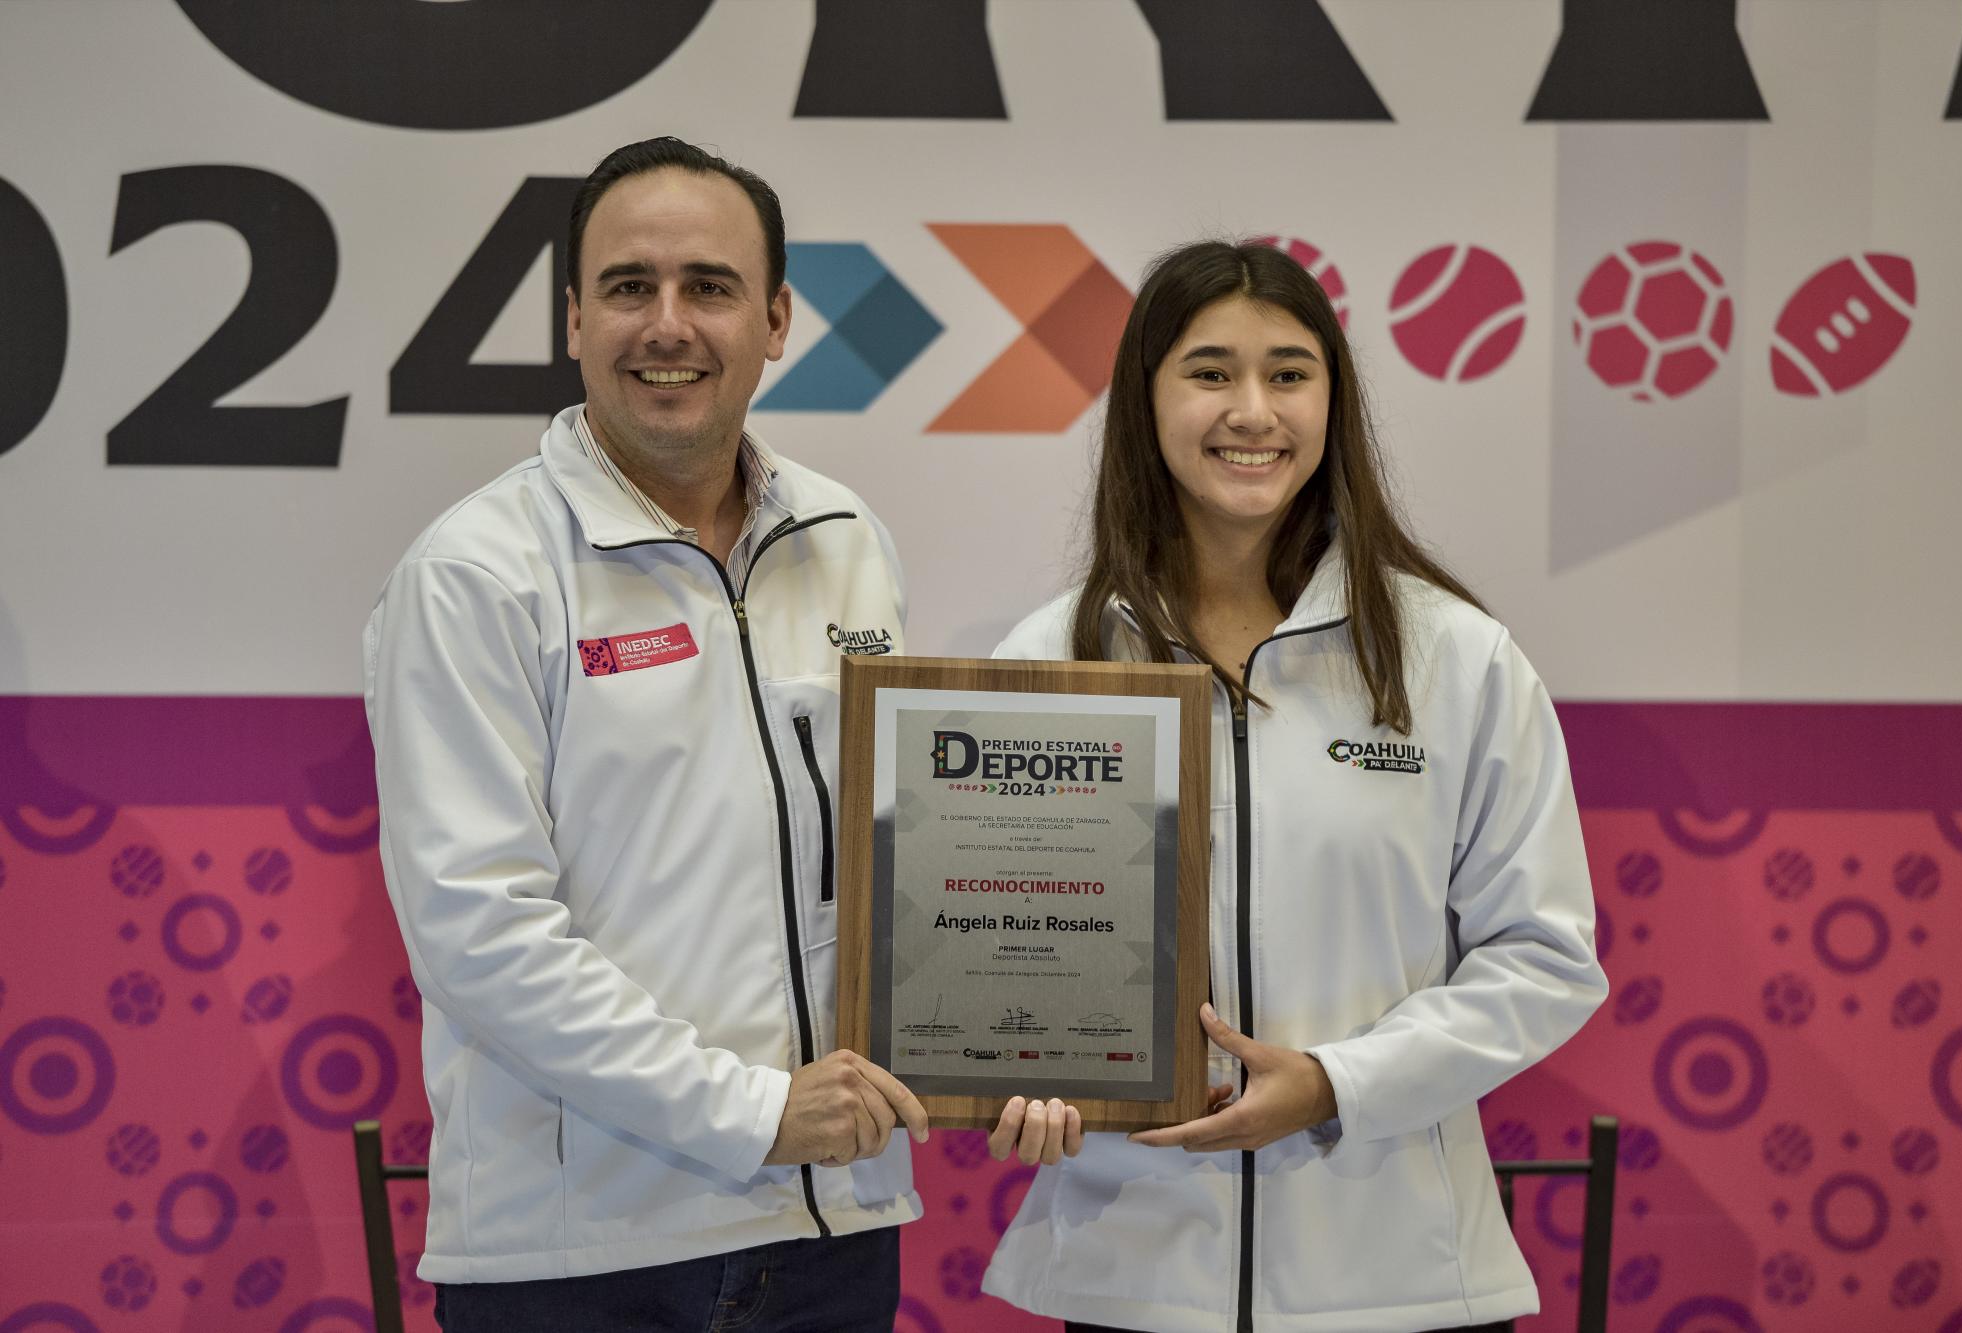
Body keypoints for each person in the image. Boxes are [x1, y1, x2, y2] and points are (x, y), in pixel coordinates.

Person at [980, 240, 1608, 1333]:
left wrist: (1334, 1083)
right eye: (1209, 371)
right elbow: (986, 946)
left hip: (1402, 1286)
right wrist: (1003, 1066)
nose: (1252, 411)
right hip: (1133, 1279)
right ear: (1147, 399)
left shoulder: (1452, 658)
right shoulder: (1050, 659)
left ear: (1330, 399)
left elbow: (1542, 958)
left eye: (1287, 373)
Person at [363, 137, 928, 1333]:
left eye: (709, 288)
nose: (667, 323)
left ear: (775, 319)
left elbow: (900, 859)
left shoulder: (846, 537)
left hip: (832, 1229)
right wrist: (748, 1111)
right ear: (572, 319)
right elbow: (481, 932)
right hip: (585, 1255)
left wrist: (1024, 1047)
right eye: (629, 287)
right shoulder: (478, 572)